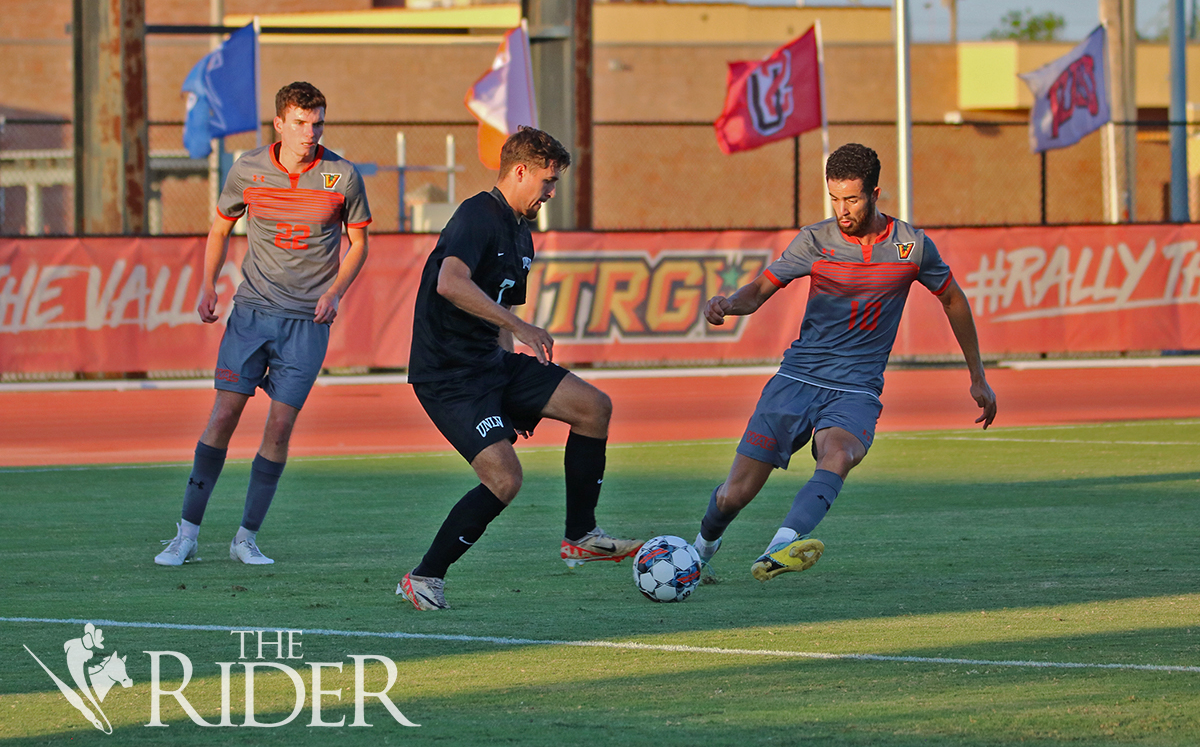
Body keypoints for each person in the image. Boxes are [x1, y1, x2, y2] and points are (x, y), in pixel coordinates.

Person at [692, 142, 997, 582]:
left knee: (840, 455)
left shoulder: (911, 246)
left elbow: (953, 299)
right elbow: (759, 291)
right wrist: (728, 304)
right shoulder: (815, 240)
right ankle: (700, 550)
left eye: (851, 199)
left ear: (874, 193)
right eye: (834, 198)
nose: (841, 210)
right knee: (733, 495)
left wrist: (978, 376)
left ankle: (780, 548)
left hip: (856, 388)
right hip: (796, 380)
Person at [398, 126, 641, 611]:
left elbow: (497, 311)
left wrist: (508, 376)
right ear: (521, 171)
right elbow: (450, 283)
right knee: (505, 479)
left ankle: (581, 535)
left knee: (593, 406)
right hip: (447, 377)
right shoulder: (478, 214)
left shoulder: (521, 232)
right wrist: (523, 328)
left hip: (490, 364)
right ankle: (424, 577)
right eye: (548, 182)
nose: (551, 192)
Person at [155, 81, 371, 567]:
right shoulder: (247, 169)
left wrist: (335, 291)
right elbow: (220, 227)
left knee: (279, 428)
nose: (310, 132)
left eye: (317, 123)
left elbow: (359, 245)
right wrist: (208, 285)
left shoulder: (342, 176)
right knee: (223, 417)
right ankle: (186, 535)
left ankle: (245, 539)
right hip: (251, 315)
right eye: (300, 123)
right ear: (279, 124)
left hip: (307, 325)